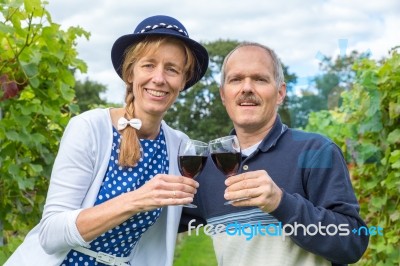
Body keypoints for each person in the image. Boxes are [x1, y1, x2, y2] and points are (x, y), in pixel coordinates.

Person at [5, 15, 209, 266]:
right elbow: (51, 234)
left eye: (172, 69)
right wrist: (137, 200)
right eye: (148, 65)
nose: (159, 78)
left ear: (183, 80)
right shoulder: (90, 128)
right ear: (130, 72)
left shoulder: (178, 145)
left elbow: (210, 197)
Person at [181, 42, 369, 266]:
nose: (247, 88)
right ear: (223, 94)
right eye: (236, 79)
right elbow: (154, 224)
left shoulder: (317, 152)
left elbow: (353, 243)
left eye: (260, 79)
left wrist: (281, 203)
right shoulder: (208, 168)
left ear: (280, 93)